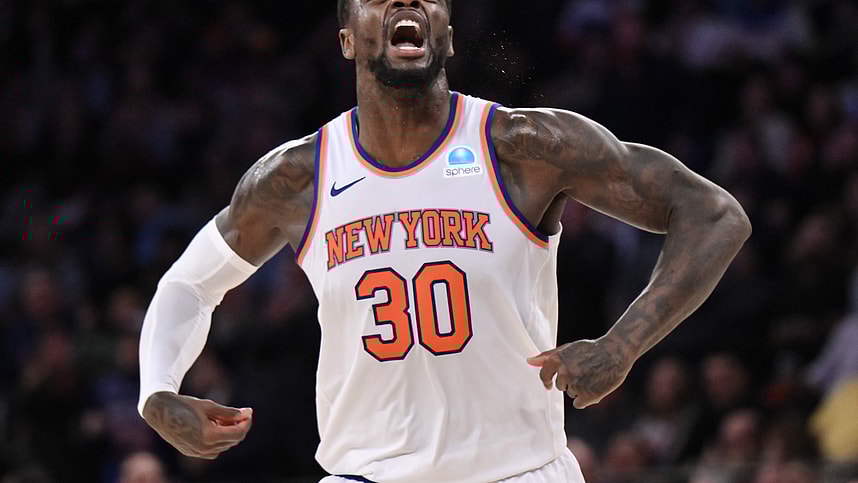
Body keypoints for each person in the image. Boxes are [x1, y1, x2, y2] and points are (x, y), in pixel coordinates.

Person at [136, 1, 752, 481]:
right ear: (348, 38)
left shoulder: (522, 146)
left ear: (447, 35)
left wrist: (623, 346)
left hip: (517, 473)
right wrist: (156, 391)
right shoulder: (297, 178)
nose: (408, 2)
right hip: (366, 475)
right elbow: (189, 284)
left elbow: (714, 214)